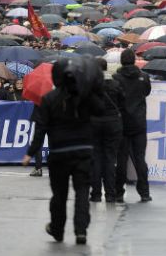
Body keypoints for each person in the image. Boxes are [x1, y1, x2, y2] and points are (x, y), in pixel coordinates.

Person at [22, 57, 104, 245]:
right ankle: (81, 230)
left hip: (59, 151)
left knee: (59, 194)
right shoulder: (85, 97)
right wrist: (93, 91)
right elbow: (100, 109)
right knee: (82, 192)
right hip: (83, 150)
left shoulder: (49, 99)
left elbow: (40, 128)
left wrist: (30, 152)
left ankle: (57, 229)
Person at [113, 49, 153, 203]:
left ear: (122, 61)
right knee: (140, 159)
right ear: (134, 60)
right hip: (139, 123)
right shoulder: (144, 77)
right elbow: (146, 92)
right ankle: (144, 192)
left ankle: (118, 192)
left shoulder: (117, 78)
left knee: (121, 160)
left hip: (122, 123)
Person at [90, 58, 124, 203]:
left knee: (96, 158)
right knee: (110, 158)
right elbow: (122, 102)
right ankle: (110, 194)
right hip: (112, 123)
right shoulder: (116, 84)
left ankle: (96, 194)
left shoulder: (90, 86)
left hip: (95, 123)